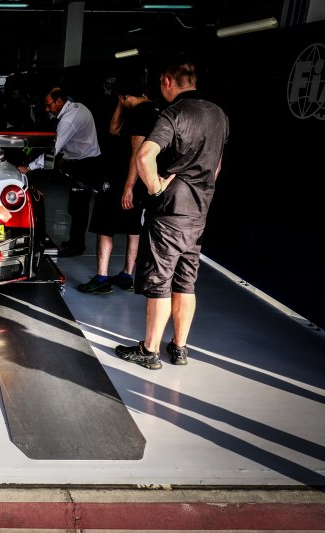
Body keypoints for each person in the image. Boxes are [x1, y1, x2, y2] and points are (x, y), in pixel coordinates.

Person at [116, 57, 228, 369]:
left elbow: (145, 155)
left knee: (159, 281)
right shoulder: (219, 114)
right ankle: (179, 348)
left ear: (167, 81)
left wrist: (155, 188)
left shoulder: (173, 113)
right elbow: (216, 166)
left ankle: (149, 351)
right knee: (186, 281)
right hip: (199, 211)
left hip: (169, 211)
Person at [78, 75, 158, 294]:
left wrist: (128, 187)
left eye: (120, 98)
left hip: (122, 179)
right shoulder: (150, 110)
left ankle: (102, 278)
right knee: (134, 227)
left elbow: (137, 153)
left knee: (104, 225)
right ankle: (126, 275)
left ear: (125, 95)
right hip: (140, 179)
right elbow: (114, 129)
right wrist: (121, 102)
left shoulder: (140, 113)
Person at [17, 87, 102, 257]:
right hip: (81, 160)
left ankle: (77, 247)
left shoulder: (68, 120)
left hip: (85, 164)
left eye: (49, 105)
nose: (47, 109)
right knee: (75, 207)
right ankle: (74, 241)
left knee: (79, 208)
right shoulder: (76, 107)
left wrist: (29, 167)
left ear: (59, 101)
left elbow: (52, 151)